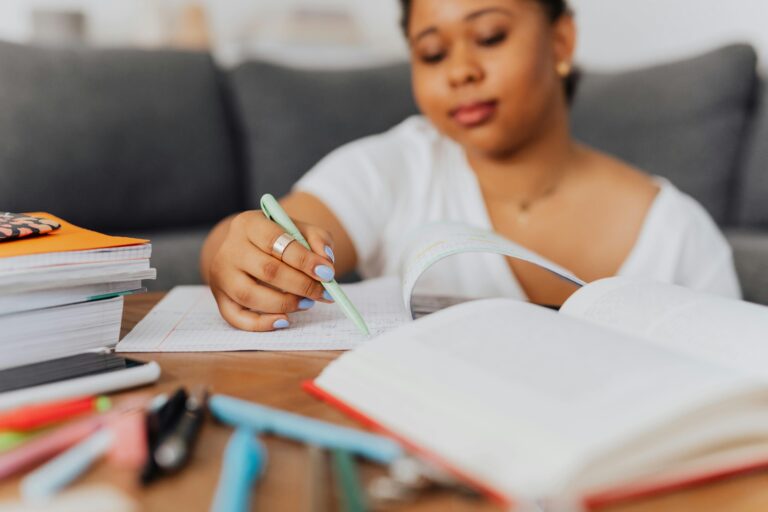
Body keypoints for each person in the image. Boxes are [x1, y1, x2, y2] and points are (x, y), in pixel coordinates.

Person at [200, 0, 741, 332]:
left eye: (489, 38)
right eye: (432, 53)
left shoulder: (678, 232)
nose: (460, 70)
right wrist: (236, 249)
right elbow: (269, 228)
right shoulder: (395, 166)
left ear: (561, 40)